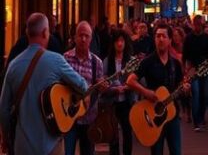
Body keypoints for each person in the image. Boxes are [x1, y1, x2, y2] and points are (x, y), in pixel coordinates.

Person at [0, 13, 88, 155]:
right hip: (50, 144)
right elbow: (83, 86)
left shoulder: (13, 66)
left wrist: (4, 138)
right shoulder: (56, 60)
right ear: (45, 32)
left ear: (27, 33)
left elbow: (3, 109)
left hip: (22, 146)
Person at [126, 23, 189, 155]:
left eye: (164, 36)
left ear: (170, 40)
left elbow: (179, 85)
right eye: (157, 36)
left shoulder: (175, 64)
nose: (160, 39)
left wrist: (184, 88)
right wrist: (145, 92)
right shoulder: (148, 61)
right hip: (152, 116)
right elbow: (130, 81)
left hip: (172, 115)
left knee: (176, 152)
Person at [63, 21, 105, 155]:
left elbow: (98, 93)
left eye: (87, 36)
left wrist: (101, 88)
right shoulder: (66, 58)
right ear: (75, 37)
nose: (83, 39)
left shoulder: (96, 62)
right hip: (68, 117)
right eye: (80, 35)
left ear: (91, 39)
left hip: (88, 118)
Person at [102, 30, 134, 155]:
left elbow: (137, 81)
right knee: (113, 134)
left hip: (127, 101)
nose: (120, 44)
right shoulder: (107, 61)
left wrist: (126, 87)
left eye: (122, 41)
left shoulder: (130, 60)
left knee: (127, 132)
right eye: (117, 41)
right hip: (112, 102)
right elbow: (103, 82)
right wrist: (114, 89)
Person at [183, 15, 208, 132]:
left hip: (205, 69)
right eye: (196, 24)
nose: (198, 27)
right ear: (193, 24)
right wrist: (186, 70)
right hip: (193, 69)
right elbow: (185, 56)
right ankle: (197, 121)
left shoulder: (206, 37)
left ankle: (201, 117)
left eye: (200, 24)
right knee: (196, 94)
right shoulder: (189, 38)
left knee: (205, 94)